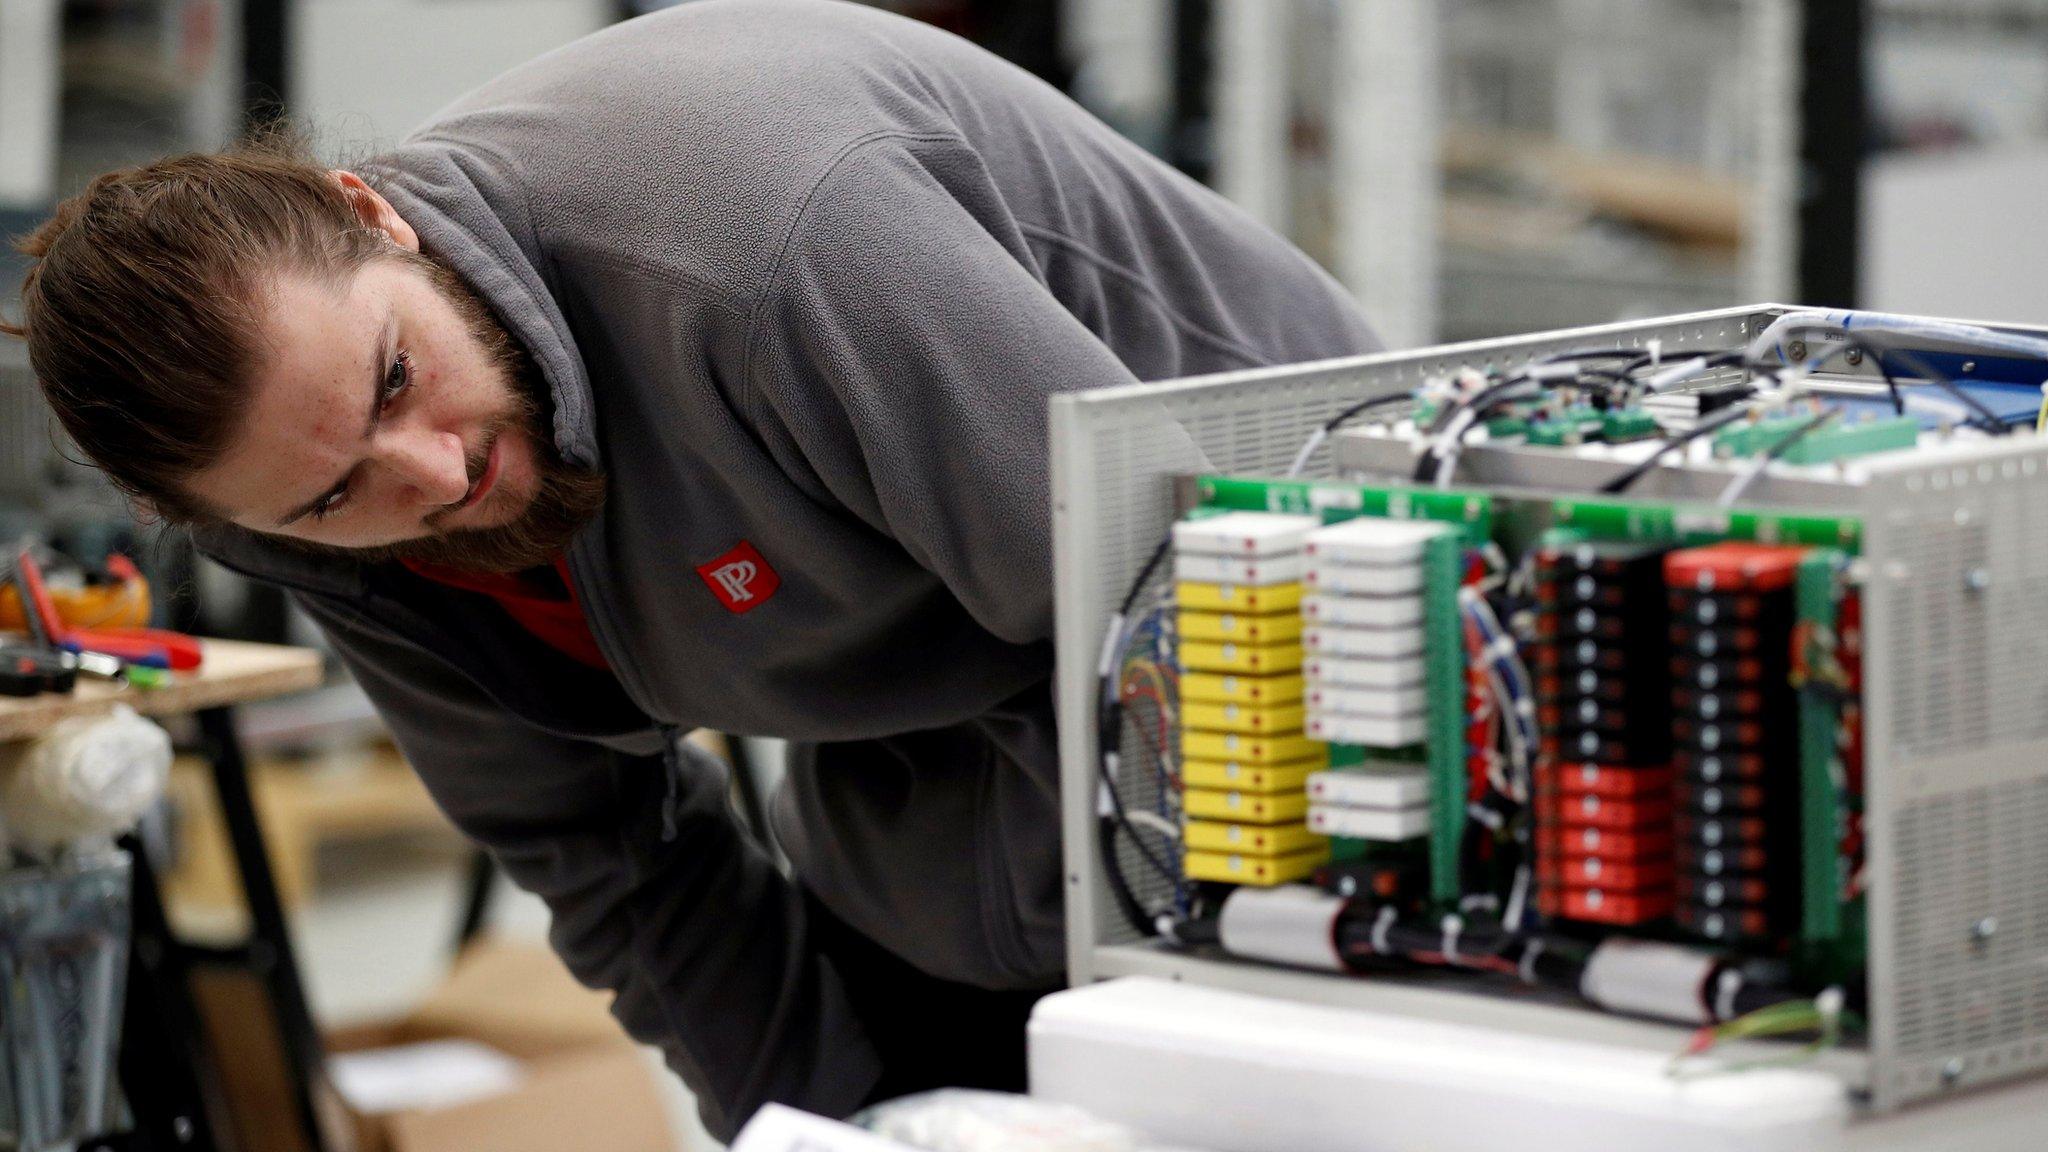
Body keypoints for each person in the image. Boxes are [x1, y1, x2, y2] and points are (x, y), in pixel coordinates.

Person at [5, 0, 1375, 1137]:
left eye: (396, 378)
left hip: (1283, 681)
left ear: (373, 212)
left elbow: (1175, 629)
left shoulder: (764, 246)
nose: (429, 478)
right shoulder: (305, 502)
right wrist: (839, 1124)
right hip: (940, 815)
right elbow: (607, 854)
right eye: (333, 494)